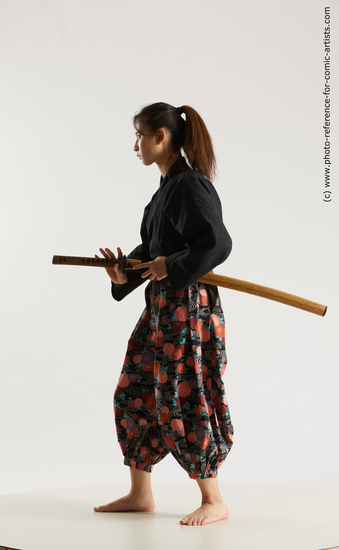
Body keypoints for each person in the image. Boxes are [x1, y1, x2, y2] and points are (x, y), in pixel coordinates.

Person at [93, 102, 233, 526]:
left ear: (161, 136)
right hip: (160, 307)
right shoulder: (164, 191)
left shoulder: (190, 185)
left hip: (188, 308)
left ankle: (214, 499)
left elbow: (216, 244)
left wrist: (169, 267)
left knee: (182, 394)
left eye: (140, 135)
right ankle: (140, 494)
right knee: (133, 390)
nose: (135, 145)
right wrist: (123, 273)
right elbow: (151, 253)